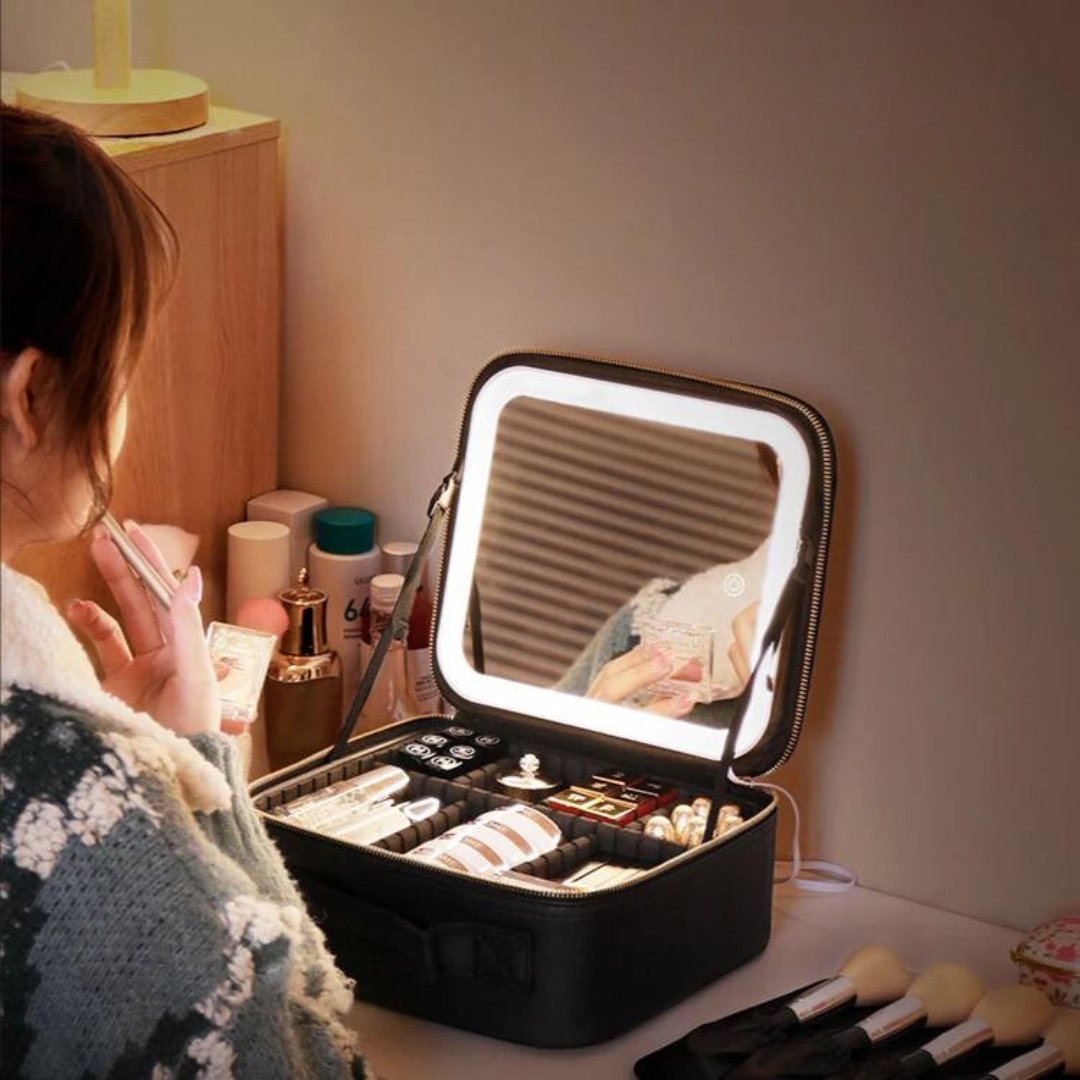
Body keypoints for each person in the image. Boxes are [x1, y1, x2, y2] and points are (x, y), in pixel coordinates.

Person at [0, 105, 370, 1079]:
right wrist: (189, 773)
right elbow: (299, 1058)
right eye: (123, 373)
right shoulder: (71, 794)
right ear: (29, 397)